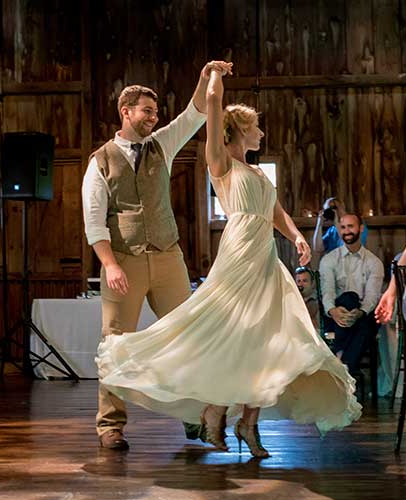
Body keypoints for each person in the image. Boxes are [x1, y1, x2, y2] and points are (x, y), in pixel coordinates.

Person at [96, 64, 360, 458]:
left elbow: (275, 210)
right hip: (239, 254)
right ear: (238, 131)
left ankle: (247, 423)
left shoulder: (258, 173)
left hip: (266, 259)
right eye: (256, 128)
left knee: (266, 339)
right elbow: (212, 106)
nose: (262, 134)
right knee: (230, 333)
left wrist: (295, 236)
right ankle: (214, 409)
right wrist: (213, 79)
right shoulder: (220, 163)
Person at [83, 60, 232, 450]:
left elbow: (194, 114)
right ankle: (109, 425)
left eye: (155, 111)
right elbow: (94, 222)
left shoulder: (161, 145)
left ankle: (192, 416)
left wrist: (202, 78)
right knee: (115, 342)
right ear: (125, 112)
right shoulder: (99, 160)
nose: (154, 117)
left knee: (187, 337)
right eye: (147, 111)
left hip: (168, 257)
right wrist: (110, 264)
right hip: (124, 261)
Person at [319, 214, 385, 377]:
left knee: (366, 320)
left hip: (363, 315)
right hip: (334, 316)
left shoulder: (374, 262)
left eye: (351, 226)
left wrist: (360, 312)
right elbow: (327, 292)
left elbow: (372, 296)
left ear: (361, 229)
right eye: (343, 227)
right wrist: (333, 311)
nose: (346, 231)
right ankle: (349, 366)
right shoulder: (329, 260)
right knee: (349, 298)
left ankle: (342, 364)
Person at [310, 197, 368, 271]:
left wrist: (337, 222)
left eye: (334, 207)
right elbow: (318, 248)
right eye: (328, 209)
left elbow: (349, 244)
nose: (333, 211)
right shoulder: (331, 231)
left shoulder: (357, 225)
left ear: (342, 206)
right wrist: (319, 224)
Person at [294, 266, 320, 331]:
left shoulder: (316, 299)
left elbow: (308, 313)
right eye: (299, 281)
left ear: (312, 283)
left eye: (305, 281)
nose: (301, 284)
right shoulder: (294, 298)